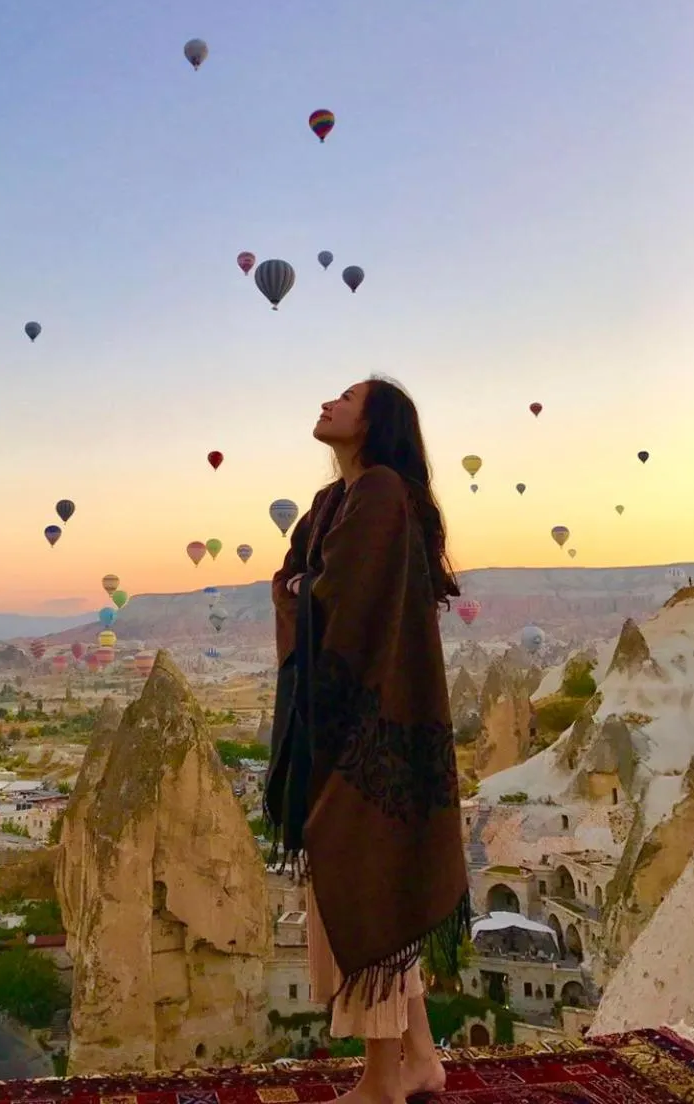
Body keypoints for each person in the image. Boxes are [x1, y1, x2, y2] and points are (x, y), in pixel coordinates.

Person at [264, 378, 470, 1104]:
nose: (325, 402)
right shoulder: (330, 505)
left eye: (345, 397)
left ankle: (381, 1081)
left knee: (367, 886)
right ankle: (421, 1059)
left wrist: (295, 592)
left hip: (374, 724)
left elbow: (335, 594)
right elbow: (303, 580)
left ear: (375, 421)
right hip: (341, 717)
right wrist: (297, 589)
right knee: (376, 886)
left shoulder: (381, 491)